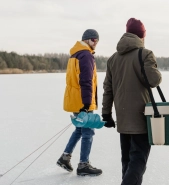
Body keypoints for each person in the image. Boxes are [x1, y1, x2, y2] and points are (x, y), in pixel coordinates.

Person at [102, 18, 162, 184]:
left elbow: (108, 89)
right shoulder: (145, 54)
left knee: (127, 162)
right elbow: (154, 81)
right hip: (141, 117)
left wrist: (106, 114)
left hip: (122, 118)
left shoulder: (113, 59)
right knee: (137, 162)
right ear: (141, 36)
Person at [57, 29, 102, 176]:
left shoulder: (75, 54)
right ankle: (83, 165)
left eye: (97, 41)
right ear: (88, 40)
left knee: (80, 129)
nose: (96, 43)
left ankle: (65, 157)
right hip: (83, 101)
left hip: (75, 99)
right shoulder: (86, 55)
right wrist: (87, 104)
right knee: (88, 131)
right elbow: (86, 81)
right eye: (94, 40)